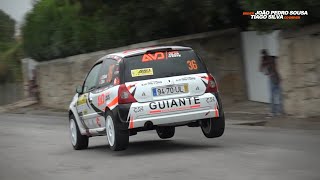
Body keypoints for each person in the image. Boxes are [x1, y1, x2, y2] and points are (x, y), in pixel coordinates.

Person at [260, 49, 283, 116]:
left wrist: (267, 73)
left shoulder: (265, 60)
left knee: (273, 96)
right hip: (276, 78)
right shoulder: (272, 58)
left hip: (273, 79)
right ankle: (279, 111)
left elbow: (261, 69)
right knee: (279, 96)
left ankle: (273, 112)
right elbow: (262, 70)